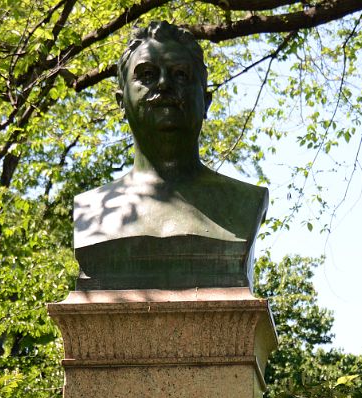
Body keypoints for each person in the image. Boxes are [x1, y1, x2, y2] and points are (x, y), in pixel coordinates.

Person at [73, 22, 268, 290]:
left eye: (180, 75)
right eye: (148, 74)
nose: (164, 84)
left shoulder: (245, 204)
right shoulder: (91, 211)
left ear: (206, 102)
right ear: (122, 102)